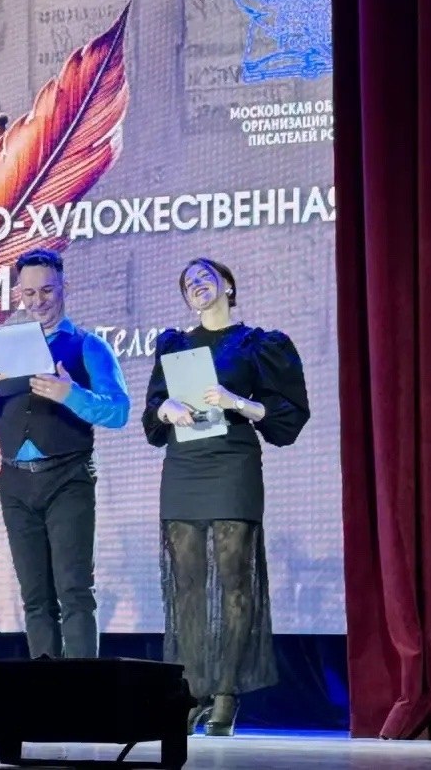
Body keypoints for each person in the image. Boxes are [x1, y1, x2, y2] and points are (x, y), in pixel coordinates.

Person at [142, 258, 309, 736]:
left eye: (205, 277)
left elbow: (288, 416)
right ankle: (193, 690)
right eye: (188, 283)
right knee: (188, 584)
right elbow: (152, 413)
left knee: (235, 579)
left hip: (233, 463)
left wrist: (236, 401)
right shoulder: (173, 344)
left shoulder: (259, 344)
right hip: (184, 464)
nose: (196, 285)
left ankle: (226, 694)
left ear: (228, 285)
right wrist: (167, 409)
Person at [0, 248, 130, 659]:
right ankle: (45, 689)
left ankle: (83, 688)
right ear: (19, 294)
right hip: (15, 482)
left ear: (64, 287)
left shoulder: (88, 346)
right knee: (35, 597)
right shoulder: (0, 350)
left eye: (48, 291)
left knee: (74, 591)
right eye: (29, 293)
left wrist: (72, 394)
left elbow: (118, 411)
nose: (39, 302)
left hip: (68, 477)